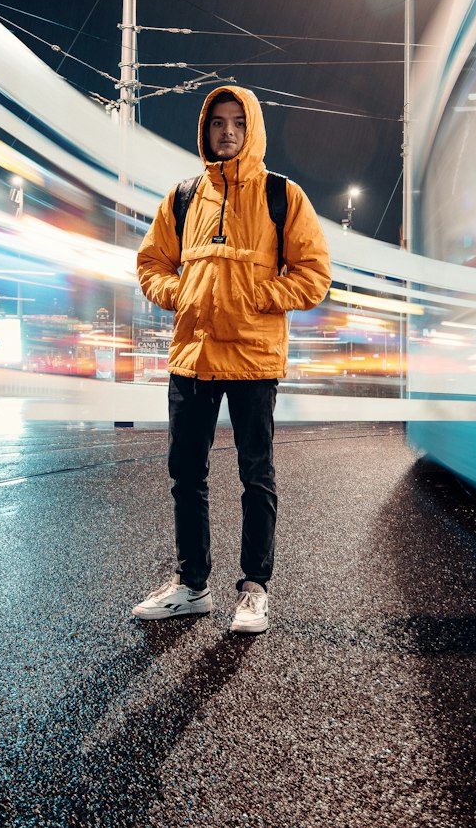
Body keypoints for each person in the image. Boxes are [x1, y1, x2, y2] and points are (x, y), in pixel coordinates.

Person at [133, 86, 331, 633]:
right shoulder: (182, 196)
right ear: (205, 130)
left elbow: (314, 275)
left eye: (236, 123)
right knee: (185, 474)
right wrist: (180, 294)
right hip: (192, 356)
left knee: (256, 475)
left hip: (253, 358)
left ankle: (253, 590)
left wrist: (261, 296)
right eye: (217, 122)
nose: (226, 131)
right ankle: (191, 585)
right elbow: (151, 261)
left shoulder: (280, 195)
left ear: (252, 129)